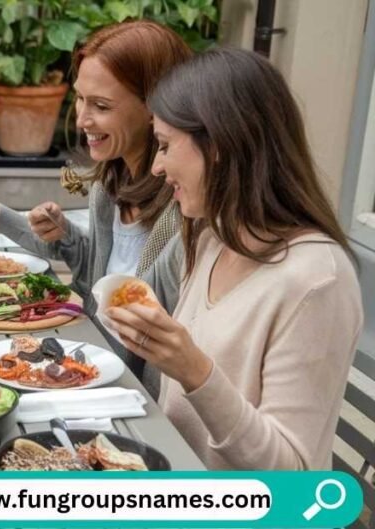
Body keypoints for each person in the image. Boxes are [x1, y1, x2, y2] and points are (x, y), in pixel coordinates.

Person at [107, 48, 362, 470]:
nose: (155, 166)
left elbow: (290, 474)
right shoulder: (211, 241)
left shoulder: (317, 279)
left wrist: (195, 372)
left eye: (166, 145)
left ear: (220, 144)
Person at [0, 20, 192, 392]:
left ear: (154, 107)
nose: (82, 119)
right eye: (80, 98)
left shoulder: (183, 208)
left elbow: (159, 336)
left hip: (126, 393)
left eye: (101, 106)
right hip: (80, 362)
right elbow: (100, 282)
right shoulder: (109, 185)